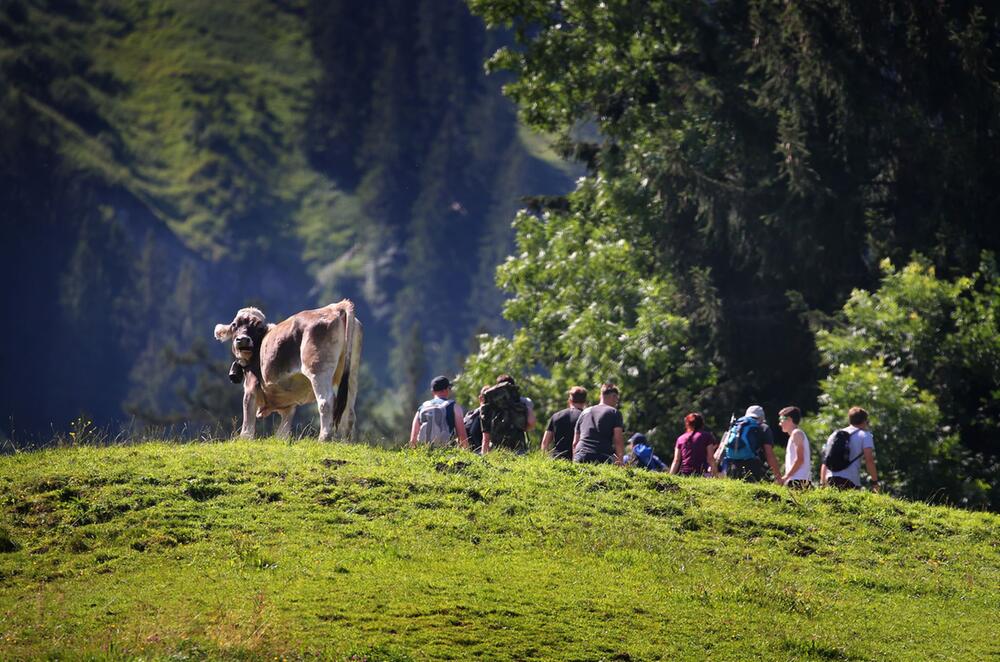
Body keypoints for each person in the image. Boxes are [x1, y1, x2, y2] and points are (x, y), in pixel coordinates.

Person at [820, 407, 879, 492]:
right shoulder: (865, 435)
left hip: (830, 478)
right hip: (850, 480)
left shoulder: (835, 435)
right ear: (864, 421)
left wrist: (822, 483)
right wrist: (874, 482)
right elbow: (869, 459)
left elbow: (826, 460)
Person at [719, 405, 781, 482]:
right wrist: (778, 476)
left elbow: (723, 446)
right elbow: (769, 454)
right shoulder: (763, 427)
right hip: (752, 466)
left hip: (732, 465)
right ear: (761, 417)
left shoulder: (736, 425)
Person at [481, 374, 536, 454]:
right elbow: (531, 422)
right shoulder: (524, 401)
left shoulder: (490, 404)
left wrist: (484, 456)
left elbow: (486, 436)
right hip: (518, 449)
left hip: (496, 450)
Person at [572, 383, 625, 465]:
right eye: (616, 399)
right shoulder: (614, 412)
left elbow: (575, 442)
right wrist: (620, 462)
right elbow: (618, 440)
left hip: (580, 455)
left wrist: (575, 459)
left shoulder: (584, 412)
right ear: (613, 396)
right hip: (602, 456)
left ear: (601, 396)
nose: (616, 402)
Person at [409, 376, 468, 449]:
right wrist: (466, 453)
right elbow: (462, 436)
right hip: (446, 451)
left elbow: (413, 438)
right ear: (447, 389)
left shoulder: (422, 408)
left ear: (432, 392)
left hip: (424, 451)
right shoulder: (454, 407)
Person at [541, 386, 588, 460]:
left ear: (569, 400)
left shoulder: (556, 416)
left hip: (557, 459)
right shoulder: (586, 417)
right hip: (577, 460)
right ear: (585, 402)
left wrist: (544, 460)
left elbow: (545, 442)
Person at [669, 412, 718, 476]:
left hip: (684, 474)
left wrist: (670, 476)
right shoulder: (707, 436)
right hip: (701, 473)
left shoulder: (680, 438)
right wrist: (715, 475)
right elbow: (710, 458)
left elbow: (676, 460)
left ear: (687, 424)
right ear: (701, 423)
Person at [777, 406, 811, 488]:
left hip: (798, 480)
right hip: (797, 480)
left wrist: (786, 476)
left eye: (781, 419)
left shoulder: (797, 433)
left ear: (789, 419)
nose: (780, 423)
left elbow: (800, 459)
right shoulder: (794, 435)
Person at [462, 385, 490, 454]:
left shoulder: (470, 414)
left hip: (468, 450)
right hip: (481, 450)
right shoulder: (488, 414)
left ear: (480, 398)